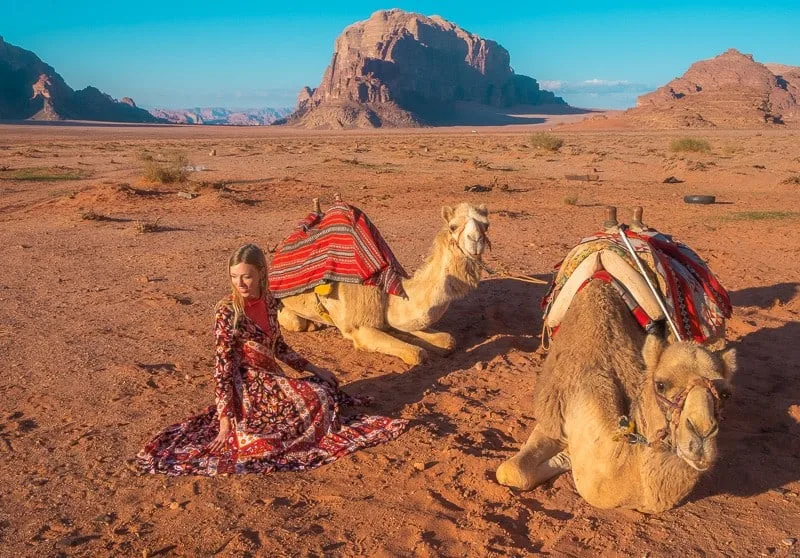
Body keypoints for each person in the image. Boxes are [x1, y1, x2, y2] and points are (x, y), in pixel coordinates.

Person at [136, 243, 406, 476]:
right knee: (317, 399)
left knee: (325, 388)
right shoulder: (227, 313)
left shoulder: (270, 302)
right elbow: (222, 368)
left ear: (261, 274)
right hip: (249, 386)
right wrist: (225, 419)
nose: (240, 284)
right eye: (234, 277)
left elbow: (279, 347)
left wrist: (315, 368)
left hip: (273, 377)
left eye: (247, 277)